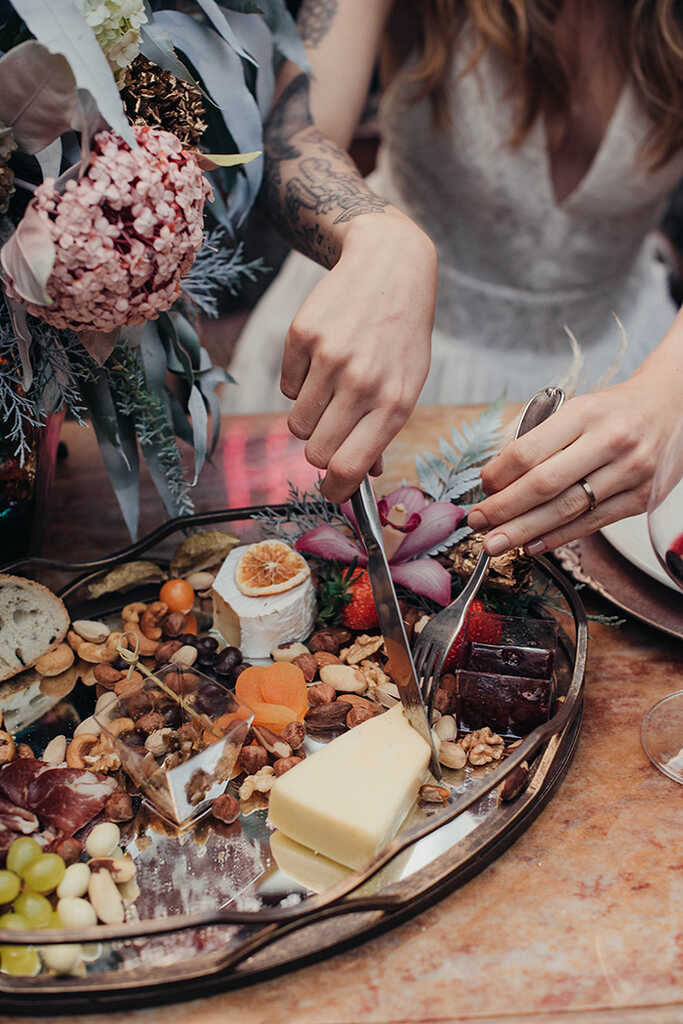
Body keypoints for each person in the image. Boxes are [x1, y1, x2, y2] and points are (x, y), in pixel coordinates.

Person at [232, 0, 683, 560]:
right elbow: (289, 132)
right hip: (380, 339)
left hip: (627, 372)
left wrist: (669, 391)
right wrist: (376, 236)